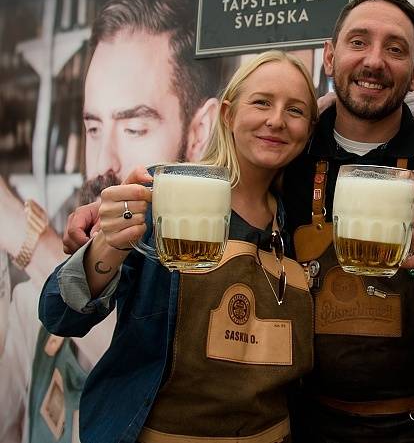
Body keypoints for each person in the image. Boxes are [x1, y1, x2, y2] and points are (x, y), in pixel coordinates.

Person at [39, 50, 318, 442]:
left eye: (295, 110)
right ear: (227, 114)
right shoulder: (164, 190)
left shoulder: (300, 224)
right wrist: (108, 246)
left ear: (309, 129)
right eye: (261, 102)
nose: (276, 120)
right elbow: (60, 315)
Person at [0, 0, 224, 443]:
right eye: (95, 128)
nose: (104, 164)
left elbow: (148, 348)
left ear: (200, 131)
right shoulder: (34, 304)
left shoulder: (220, 277)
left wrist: (25, 235)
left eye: (135, 128)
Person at [280, 0, 414, 442]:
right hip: (310, 425)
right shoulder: (288, 159)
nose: (374, 61)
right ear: (330, 57)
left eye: (394, 49)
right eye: (358, 42)